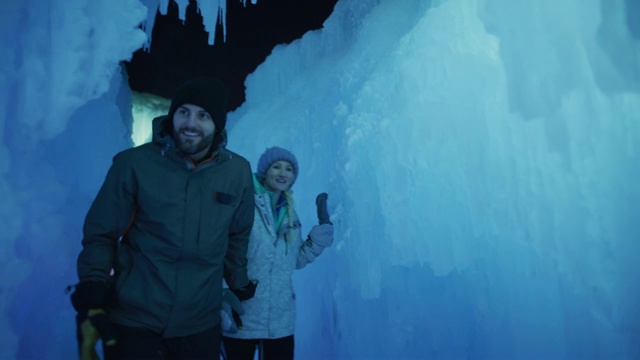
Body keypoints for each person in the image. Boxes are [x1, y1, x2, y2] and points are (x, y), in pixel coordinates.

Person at [69, 77, 257, 360]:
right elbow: (101, 232)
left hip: (200, 326)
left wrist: (238, 280)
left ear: (218, 123)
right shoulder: (133, 165)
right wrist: (93, 286)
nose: (190, 123)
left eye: (203, 115)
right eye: (184, 112)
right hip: (135, 322)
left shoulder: (237, 172)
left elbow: (238, 233)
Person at [221, 146, 334, 360]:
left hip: (280, 319)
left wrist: (322, 232)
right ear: (265, 171)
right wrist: (222, 294)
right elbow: (221, 251)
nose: (283, 173)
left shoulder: (289, 213)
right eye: (276, 167)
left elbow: (295, 259)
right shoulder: (243, 203)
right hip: (241, 314)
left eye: (289, 169)